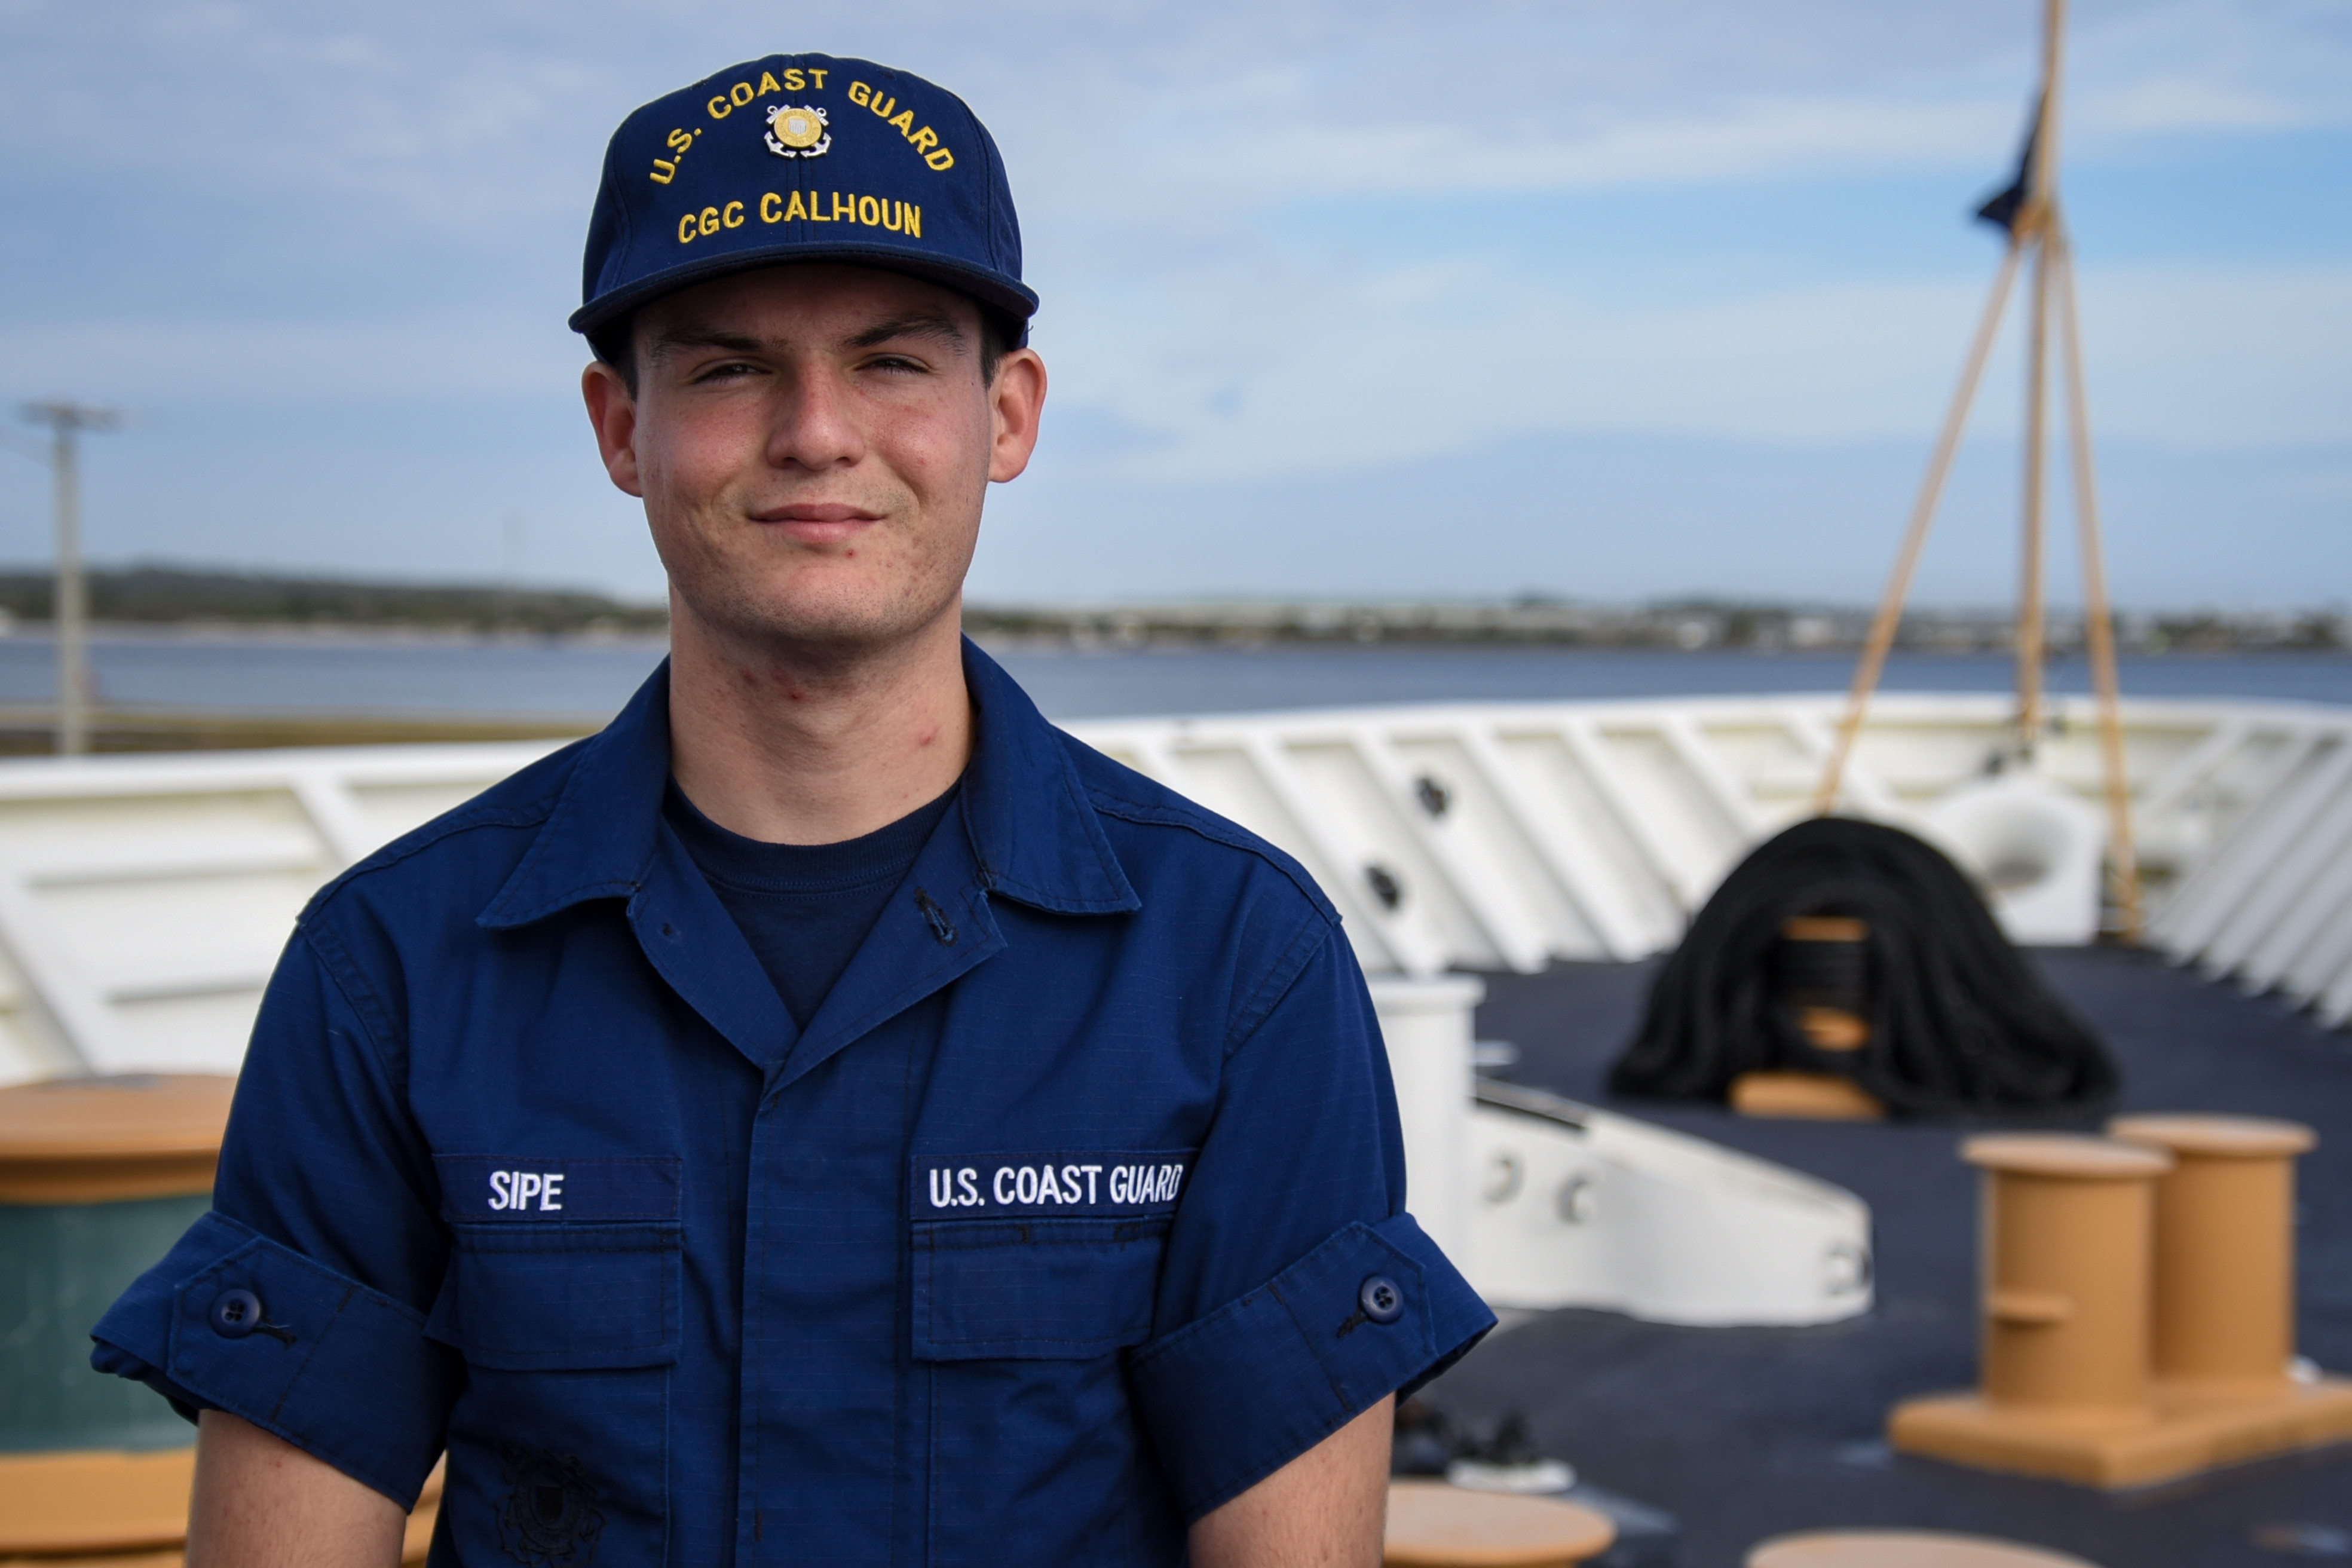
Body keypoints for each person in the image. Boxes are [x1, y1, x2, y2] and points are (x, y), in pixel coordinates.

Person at [93, 53, 1492, 1566]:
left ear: (1006, 417)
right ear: (621, 429)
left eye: (893, 361)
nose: (817, 431)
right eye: (728, 365)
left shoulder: (1234, 967)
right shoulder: (395, 968)